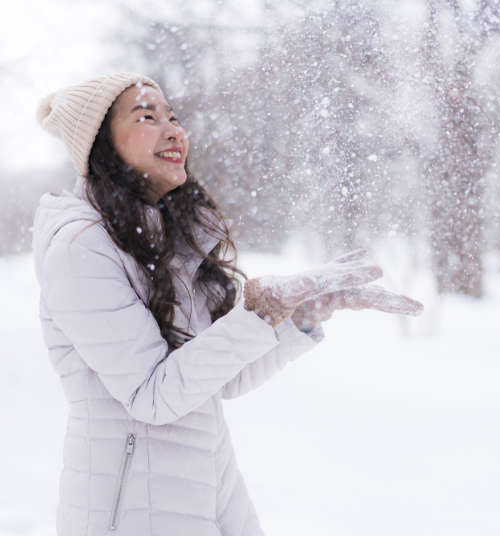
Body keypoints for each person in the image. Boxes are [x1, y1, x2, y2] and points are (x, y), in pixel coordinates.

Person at [32, 72, 423, 536]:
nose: (174, 130)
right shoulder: (81, 248)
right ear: (101, 145)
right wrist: (258, 310)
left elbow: (221, 378)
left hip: (206, 490)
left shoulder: (166, 243)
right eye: (147, 117)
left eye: (173, 117)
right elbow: (153, 396)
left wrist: (293, 317)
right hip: (127, 510)